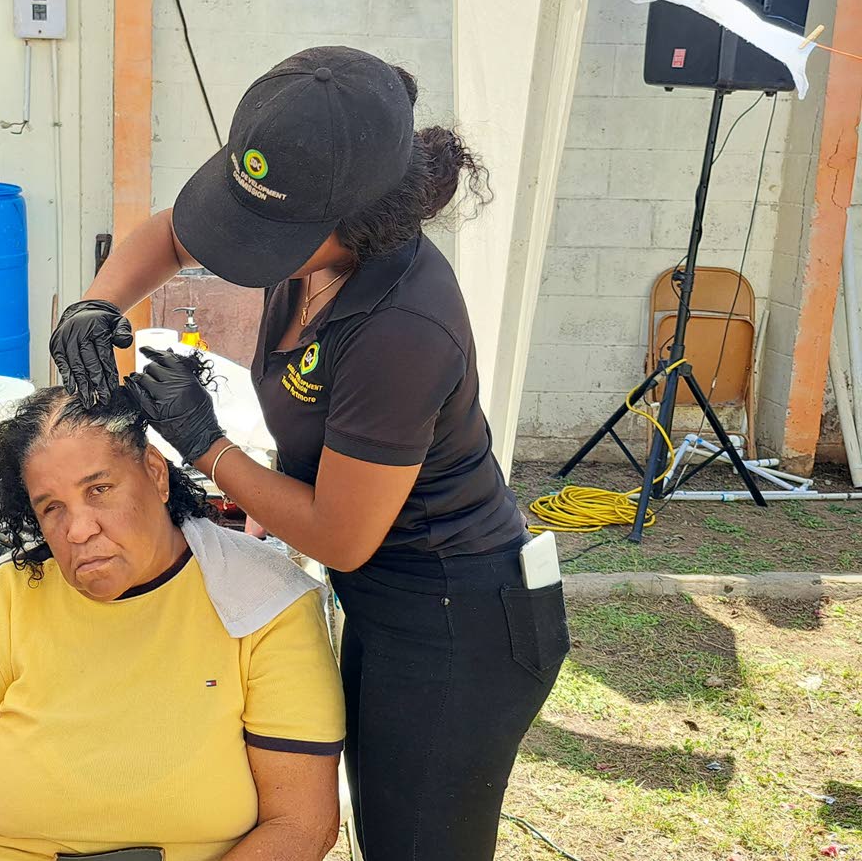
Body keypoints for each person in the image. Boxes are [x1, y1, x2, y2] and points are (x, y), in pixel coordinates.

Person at [49, 46, 571, 861]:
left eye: (265, 234)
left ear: (360, 221)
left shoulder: (402, 328)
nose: (237, 246)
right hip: (386, 599)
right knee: (381, 827)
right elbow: (170, 235)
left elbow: (341, 534)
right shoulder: (300, 204)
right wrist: (95, 304)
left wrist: (206, 445)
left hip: (458, 619)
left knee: (417, 848)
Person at [0, 387, 345, 861]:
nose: (78, 529)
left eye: (98, 490)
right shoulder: (2, 602)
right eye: (52, 508)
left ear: (156, 474)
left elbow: (300, 823)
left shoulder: (265, 601)